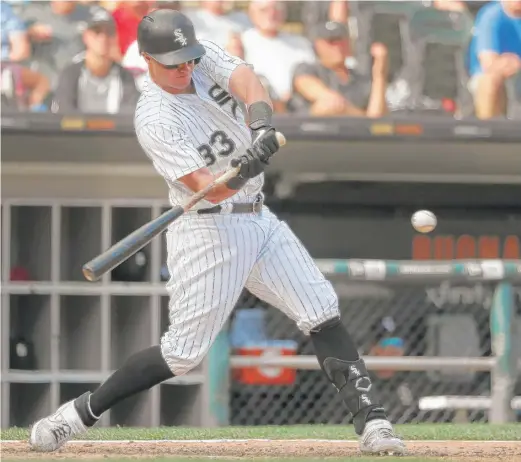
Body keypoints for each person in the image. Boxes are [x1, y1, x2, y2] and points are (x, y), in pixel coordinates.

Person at [28, 9, 406, 457]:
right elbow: (205, 190)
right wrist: (242, 170)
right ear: (147, 59)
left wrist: (261, 122)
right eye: (174, 62)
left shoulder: (199, 57)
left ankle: (373, 423)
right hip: (209, 231)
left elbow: (246, 79)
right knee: (182, 354)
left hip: (260, 221)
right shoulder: (154, 117)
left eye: (187, 57)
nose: (185, 67)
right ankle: (75, 415)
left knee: (321, 310)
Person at [289, 21, 388, 117]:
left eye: (341, 40)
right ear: (317, 45)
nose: (338, 46)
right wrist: (362, 117)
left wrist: (379, 74)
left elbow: (376, 117)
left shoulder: (361, 80)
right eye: (331, 41)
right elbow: (331, 102)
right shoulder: (307, 69)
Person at [52, 7, 139, 114]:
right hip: (77, 130)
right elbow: (64, 114)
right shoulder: (70, 74)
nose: (103, 38)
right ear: (85, 36)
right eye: (97, 32)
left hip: (115, 131)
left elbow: (129, 118)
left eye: (109, 32)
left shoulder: (125, 77)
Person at [467, 0, 521, 119]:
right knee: (490, 81)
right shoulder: (492, 15)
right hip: (489, 80)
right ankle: (488, 132)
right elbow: (489, 64)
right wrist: (508, 64)